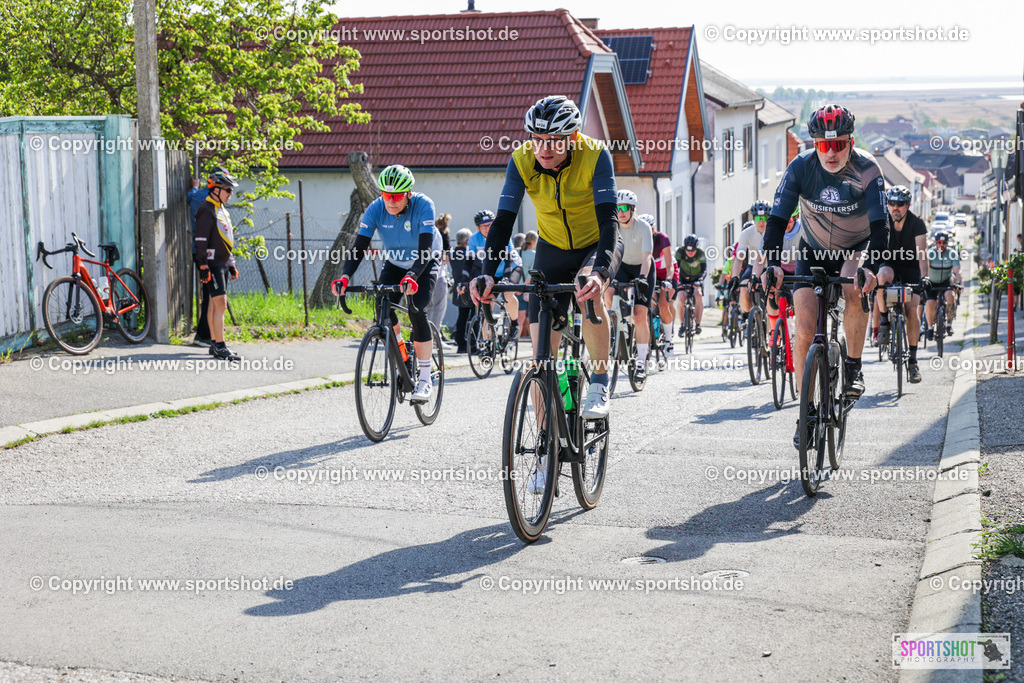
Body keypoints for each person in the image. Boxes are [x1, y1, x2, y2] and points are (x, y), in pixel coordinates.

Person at [472, 94, 623, 431]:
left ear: (572, 137)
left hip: (595, 245)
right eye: (538, 140)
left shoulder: (596, 155)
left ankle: (598, 381)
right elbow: (502, 223)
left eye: (555, 141)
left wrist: (600, 272)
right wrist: (486, 275)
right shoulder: (521, 160)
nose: (544, 148)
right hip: (552, 248)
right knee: (541, 358)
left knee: (588, 288)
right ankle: (544, 444)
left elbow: (610, 221)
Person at [761, 103, 891, 448]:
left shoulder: (867, 169)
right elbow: (776, 221)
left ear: (850, 142)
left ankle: (854, 365)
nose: (831, 152)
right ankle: (805, 410)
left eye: (839, 144)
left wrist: (872, 267)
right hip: (813, 249)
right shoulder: (800, 167)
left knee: (852, 286)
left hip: (854, 249)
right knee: (803, 326)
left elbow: (881, 226)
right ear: (814, 144)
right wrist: (772, 263)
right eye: (823, 145)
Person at [335, 164, 442, 403]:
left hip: (423, 261)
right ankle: (402, 354)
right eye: (386, 195)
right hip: (395, 262)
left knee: (416, 309)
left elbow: (425, 249)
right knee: (382, 308)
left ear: (408, 194)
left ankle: (425, 379)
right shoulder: (375, 209)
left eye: (396, 196)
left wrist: (413, 275)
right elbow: (359, 247)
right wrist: (345, 276)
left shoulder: (424, 205)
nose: (390, 201)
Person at [872, 185, 927, 383]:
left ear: (907, 206)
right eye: (891, 203)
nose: (895, 207)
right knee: (882, 276)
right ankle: (885, 323)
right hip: (890, 265)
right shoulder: (882, 222)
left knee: (911, 310)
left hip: (911, 268)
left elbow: (922, 254)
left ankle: (912, 361)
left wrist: (925, 277)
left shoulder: (917, 223)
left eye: (900, 204)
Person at [604, 189, 653, 380]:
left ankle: (641, 362)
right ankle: (615, 322)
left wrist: (642, 277)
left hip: (642, 269)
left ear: (632, 209)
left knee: (640, 315)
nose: (620, 211)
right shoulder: (613, 226)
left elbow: (647, 256)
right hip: (622, 266)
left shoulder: (643, 227)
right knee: (608, 289)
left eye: (624, 208)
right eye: (617, 208)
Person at [193, 169, 242, 361]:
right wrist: (203, 265)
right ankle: (221, 345)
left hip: (222, 263)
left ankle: (215, 344)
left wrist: (231, 264)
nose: (231, 194)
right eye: (228, 190)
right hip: (212, 264)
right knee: (220, 304)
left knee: (215, 305)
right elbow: (201, 240)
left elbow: (226, 240)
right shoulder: (206, 209)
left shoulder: (222, 209)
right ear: (216, 190)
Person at [469, 209, 523, 340]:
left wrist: (506, 279)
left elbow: (510, 259)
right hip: (491, 272)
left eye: (490, 224)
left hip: (512, 268)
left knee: (508, 293)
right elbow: (471, 262)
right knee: (487, 300)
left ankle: (515, 323)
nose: (488, 228)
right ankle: (487, 343)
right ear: (478, 227)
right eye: (484, 226)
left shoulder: (502, 235)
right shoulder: (474, 239)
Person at [187, 169, 222, 347]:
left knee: (209, 293)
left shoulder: (196, 196)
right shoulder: (213, 202)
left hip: (198, 250)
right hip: (211, 252)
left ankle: (208, 334)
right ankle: (204, 335)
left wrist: (194, 187)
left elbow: (190, 197)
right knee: (212, 294)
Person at [733, 202, 772, 320]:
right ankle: (749, 317)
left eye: (765, 218)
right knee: (744, 288)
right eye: (758, 218)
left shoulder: (773, 231)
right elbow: (739, 258)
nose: (762, 222)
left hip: (770, 266)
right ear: (753, 218)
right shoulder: (747, 233)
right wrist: (735, 277)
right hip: (752, 267)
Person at [923, 231, 962, 338]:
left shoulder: (952, 253)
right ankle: (930, 328)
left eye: (944, 243)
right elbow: (923, 269)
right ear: (935, 243)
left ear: (947, 243)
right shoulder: (930, 253)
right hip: (932, 281)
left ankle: (949, 324)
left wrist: (958, 282)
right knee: (930, 303)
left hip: (946, 279)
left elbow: (957, 271)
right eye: (939, 242)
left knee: (950, 296)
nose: (941, 245)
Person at [426, 213, 454, 349]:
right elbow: (445, 257)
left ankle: (427, 337)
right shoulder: (443, 236)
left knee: (427, 308)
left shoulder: (427, 234)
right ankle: (435, 338)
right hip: (439, 275)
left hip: (424, 275)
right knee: (438, 308)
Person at [450, 228, 478, 353]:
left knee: (462, 316)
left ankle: (460, 344)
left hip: (458, 286)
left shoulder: (453, 252)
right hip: (469, 286)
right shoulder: (469, 252)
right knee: (474, 316)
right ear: (467, 241)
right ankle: (472, 344)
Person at [674, 235, 707, 335]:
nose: (690, 252)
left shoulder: (701, 253)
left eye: (693, 250)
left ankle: (697, 324)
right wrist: (676, 281)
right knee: (681, 298)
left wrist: (700, 280)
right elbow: (675, 267)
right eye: (688, 250)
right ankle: (682, 324)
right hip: (683, 278)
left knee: (698, 294)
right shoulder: (680, 252)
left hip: (696, 279)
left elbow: (704, 270)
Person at [518, 231, 538, 339]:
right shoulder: (533, 255)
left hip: (513, 288)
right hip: (526, 289)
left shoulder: (517, 252)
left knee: (515, 319)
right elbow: (530, 275)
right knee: (529, 317)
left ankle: (513, 342)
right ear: (534, 241)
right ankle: (533, 342)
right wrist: (523, 286)